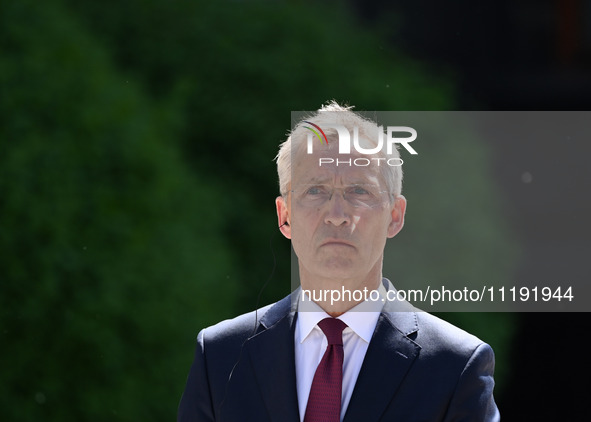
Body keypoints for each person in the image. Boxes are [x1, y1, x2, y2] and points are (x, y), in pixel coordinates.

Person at [178, 102, 500, 422]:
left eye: (359, 191)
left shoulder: (456, 366)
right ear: (285, 215)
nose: (337, 216)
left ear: (395, 216)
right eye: (315, 191)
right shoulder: (220, 356)